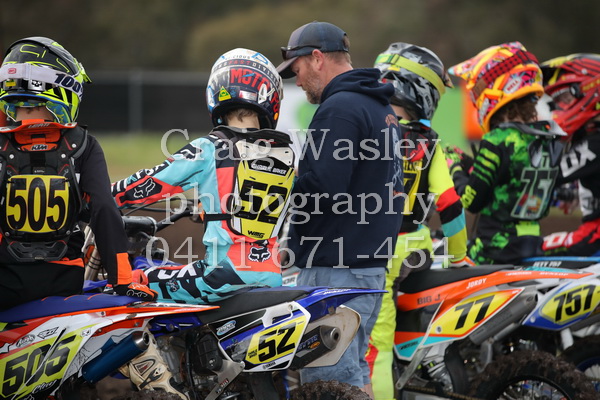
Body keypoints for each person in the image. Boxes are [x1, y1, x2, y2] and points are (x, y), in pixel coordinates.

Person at [112, 48, 294, 398]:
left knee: (132, 284)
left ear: (218, 91)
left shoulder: (209, 148)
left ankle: (166, 389)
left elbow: (145, 185)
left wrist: (99, 196)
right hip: (271, 275)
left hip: (221, 274)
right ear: (269, 98)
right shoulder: (285, 155)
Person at [277, 21, 404, 396]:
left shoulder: (340, 109)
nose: (298, 82)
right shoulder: (379, 106)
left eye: (297, 70)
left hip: (336, 271)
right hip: (366, 268)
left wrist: (281, 186)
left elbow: (324, 188)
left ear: (317, 58)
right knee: (353, 377)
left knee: (327, 383)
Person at [0, 36, 156, 311]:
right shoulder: (84, 145)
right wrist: (122, 281)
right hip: (63, 285)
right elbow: (104, 210)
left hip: (6, 287)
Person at [366, 42, 473, 400]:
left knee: (376, 349)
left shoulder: (371, 134)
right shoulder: (429, 141)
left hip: (380, 251)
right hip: (418, 248)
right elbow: (450, 205)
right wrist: (458, 257)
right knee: (407, 325)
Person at [447, 41, 565, 264]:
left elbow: (471, 201)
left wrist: (453, 168)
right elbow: (508, 180)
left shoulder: (498, 140)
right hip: (531, 245)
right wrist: (467, 162)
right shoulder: (547, 135)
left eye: (479, 89)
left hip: (494, 251)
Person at [538, 54, 600, 256]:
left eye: (564, 98)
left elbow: (545, 174)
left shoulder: (595, 143)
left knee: (528, 250)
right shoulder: (591, 136)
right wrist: (571, 194)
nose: (558, 108)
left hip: (595, 235)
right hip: (593, 233)